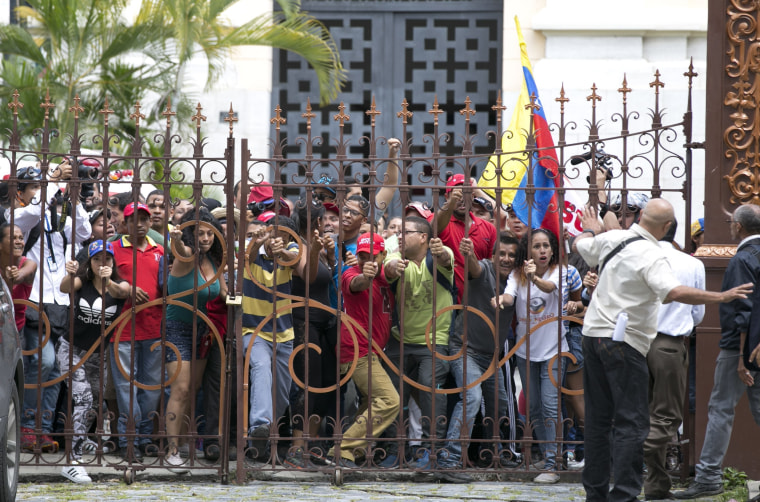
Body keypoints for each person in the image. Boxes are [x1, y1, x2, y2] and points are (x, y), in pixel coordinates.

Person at [573, 199, 752, 502]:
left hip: (592, 338)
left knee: (598, 420)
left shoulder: (614, 238)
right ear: (668, 227)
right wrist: (721, 296)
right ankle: (625, 495)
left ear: (640, 216)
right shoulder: (653, 256)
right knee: (632, 421)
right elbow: (674, 292)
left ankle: (596, 494)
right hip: (625, 342)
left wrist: (590, 231)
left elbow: (581, 244)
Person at [675, 204, 760, 500]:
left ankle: (709, 475)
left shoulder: (742, 259)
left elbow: (741, 310)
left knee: (721, 409)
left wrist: (738, 357)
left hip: (741, 348)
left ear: (737, 226)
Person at [14, 161, 92, 454]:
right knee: (42, 363)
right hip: (33, 299)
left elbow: (83, 231)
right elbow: (33, 211)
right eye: (32, 187)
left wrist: (73, 194)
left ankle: (43, 430)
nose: (40, 192)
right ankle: (26, 426)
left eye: (40, 187)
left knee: (57, 370)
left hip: (59, 301)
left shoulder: (58, 220)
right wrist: (50, 180)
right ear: (20, 192)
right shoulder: (17, 216)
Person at [436, 235, 516, 483]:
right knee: (471, 397)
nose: (505, 258)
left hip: (490, 355)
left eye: (511, 255)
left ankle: (489, 453)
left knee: (499, 402)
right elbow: (474, 268)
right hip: (465, 349)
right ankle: (449, 459)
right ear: (492, 255)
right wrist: (468, 254)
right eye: (501, 253)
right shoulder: (485, 270)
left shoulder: (517, 281)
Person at [494, 228, 567, 484]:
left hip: (554, 350)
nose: (542, 250)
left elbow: (548, 288)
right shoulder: (517, 274)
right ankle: (549, 455)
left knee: (550, 405)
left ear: (553, 249)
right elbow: (510, 296)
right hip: (526, 352)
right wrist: (500, 299)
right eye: (536, 246)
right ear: (528, 251)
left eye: (546, 246)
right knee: (534, 408)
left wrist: (534, 278)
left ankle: (554, 462)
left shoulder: (559, 271)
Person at [381, 216, 455, 468]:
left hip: (434, 340)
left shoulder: (438, 257)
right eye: (398, 232)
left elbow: (446, 258)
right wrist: (392, 268)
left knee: (429, 388)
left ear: (423, 237)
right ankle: (394, 449)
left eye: (406, 232)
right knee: (391, 394)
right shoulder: (397, 256)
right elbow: (389, 267)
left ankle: (431, 449)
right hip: (399, 340)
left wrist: (441, 252)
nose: (400, 236)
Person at [640, 220, 705, 500]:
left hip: (637, 341)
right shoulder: (690, 263)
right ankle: (631, 445)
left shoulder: (638, 259)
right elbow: (698, 313)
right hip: (669, 344)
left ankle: (656, 487)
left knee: (646, 414)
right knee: (667, 416)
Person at [326, 233, 404, 466]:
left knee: (369, 405)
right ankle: (342, 449)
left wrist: (389, 267)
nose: (365, 261)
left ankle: (353, 453)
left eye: (372, 256)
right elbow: (355, 284)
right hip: (358, 350)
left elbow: (388, 269)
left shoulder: (383, 272)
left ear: (382, 254)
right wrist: (365, 276)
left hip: (373, 351)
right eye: (361, 256)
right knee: (390, 400)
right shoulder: (351, 272)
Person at [58, 240, 129, 483]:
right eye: (97, 259)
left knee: (94, 401)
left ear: (113, 262)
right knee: (83, 397)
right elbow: (65, 287)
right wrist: (70, 273)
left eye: (106, 259)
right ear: (90, 263)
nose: (102, 263)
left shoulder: (119, 284)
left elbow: (123, 293)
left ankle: (83, 438)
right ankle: (72, 459)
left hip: (99, 354)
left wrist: (108, 282)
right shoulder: (83, 282)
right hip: (72, 349)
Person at [163, 208, 226, 473]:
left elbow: (222, 292)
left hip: (203, 327)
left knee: (194, 388)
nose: (206, 238)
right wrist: (177, 238)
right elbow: (180, 249)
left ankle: (187, 440)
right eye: (199, 233)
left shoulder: (214, 260)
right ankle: (172, 450)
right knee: (181, 389)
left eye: (210, 232)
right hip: (177, 327)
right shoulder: (186, 256)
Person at [242, 215, 309, 460]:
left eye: (282, 235)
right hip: (253, 329)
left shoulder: (291, 249)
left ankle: (264, 436)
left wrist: (283, 252)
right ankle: (258, 425)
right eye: (272, 233)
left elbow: (294, 259)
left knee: (281, 391)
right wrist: (256, 243)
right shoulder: (250, 247)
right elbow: (246, 257)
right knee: (261, 367)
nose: (276, 239)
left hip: (283, 332)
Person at [285, 199, 340, 468]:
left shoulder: (317, 246)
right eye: (325, 219)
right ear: (317, 222)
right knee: (308, 383)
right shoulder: (296, 246)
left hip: (325, 324)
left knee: (325, 385)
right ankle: (296, 448)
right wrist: (318, 250)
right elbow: (307, 277)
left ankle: (313, 443)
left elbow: (325, 280)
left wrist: (329, 255)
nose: (328, 223)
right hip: (303, 323)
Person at [109, 202, 164, 462]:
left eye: (144, 219)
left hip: (154, 327)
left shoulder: (160, 250)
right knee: (125, 387)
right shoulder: (113, 248)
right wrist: (125, 288)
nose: (139, 224)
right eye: (134, 220)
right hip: (122, 328)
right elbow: (98, 276)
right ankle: (128, 440)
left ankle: (142, 438)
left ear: (150, 223)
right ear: (125, 224)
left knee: (152, 388)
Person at [433, 173, 497, 303]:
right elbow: (433, 228)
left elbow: (493, 265)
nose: (461, 198)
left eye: (466, 192)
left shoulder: (488, 228)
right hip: (446, 301)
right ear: (447, 197)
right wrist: (450, 204)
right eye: (456, 193)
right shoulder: (442, 220)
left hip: (479, 299)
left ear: (473, 196)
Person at [0, 223, 36, 333]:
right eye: (13, 238)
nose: (19, 241)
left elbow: (20, 276)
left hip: (15, 333)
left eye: (21, 238)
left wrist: (14, 274)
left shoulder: (29, 264)